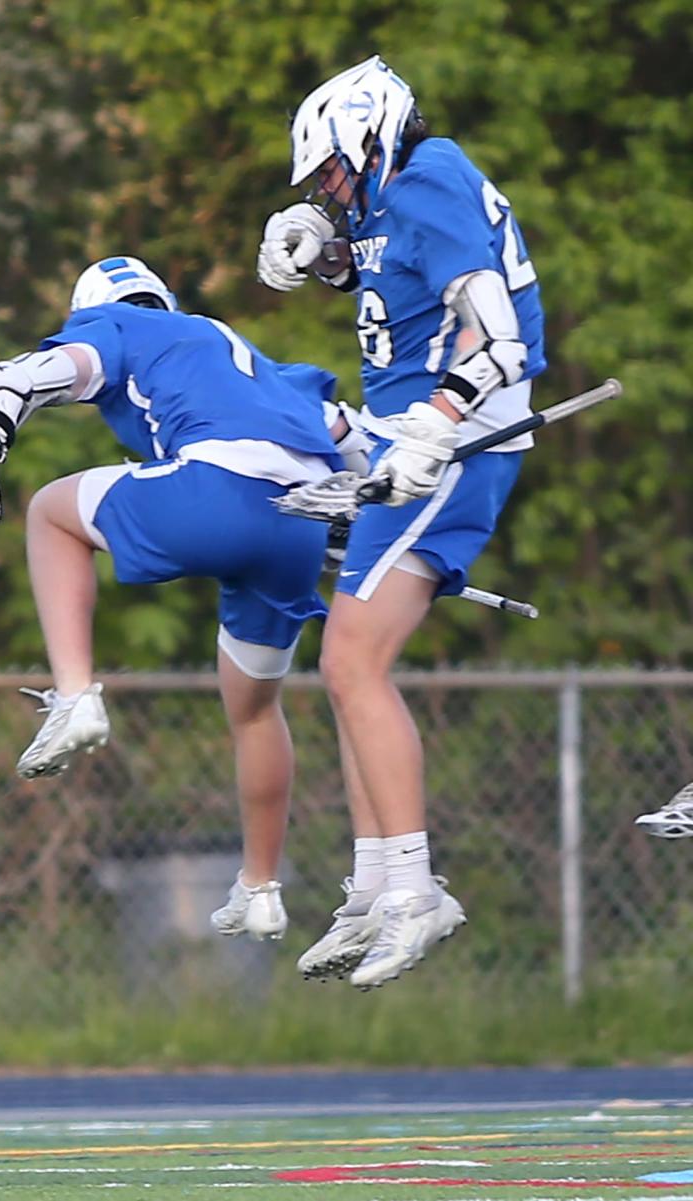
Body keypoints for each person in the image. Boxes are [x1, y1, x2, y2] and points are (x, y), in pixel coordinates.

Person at [0, 255, 372, 943]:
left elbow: (34, 374)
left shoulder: (115, 324)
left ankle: (75, 695)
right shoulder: (248, 357)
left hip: (214, 489)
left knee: (50, 514)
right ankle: (260, 887)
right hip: (296, 525)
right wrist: (369, 530)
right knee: (256, 708)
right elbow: (357, 448)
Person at [256, 55, 547, 990]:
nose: (333, 192)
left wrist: (440, 423)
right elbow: (397, 285)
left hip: (444, 447)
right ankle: (379, 882)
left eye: (334, 174)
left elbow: (499, 337)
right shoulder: (406, 193)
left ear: (374, 135)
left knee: (353, 662)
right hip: (408, 438)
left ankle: (417, 892)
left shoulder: (428, 182)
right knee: (346, 662)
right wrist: (325, 250)